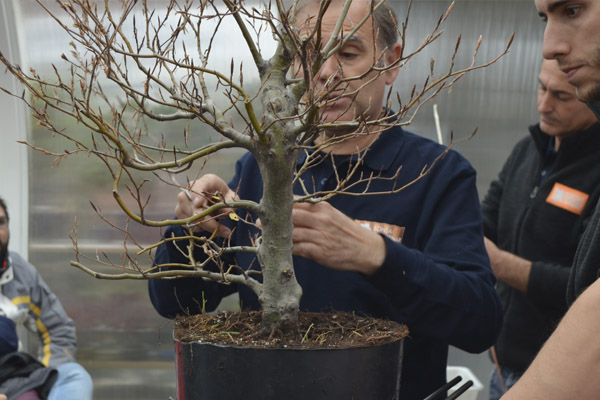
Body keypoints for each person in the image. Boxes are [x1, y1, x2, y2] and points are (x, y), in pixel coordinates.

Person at [148, 1, 503, 399]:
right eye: (307, 56)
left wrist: (377, 255)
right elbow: (172, 302)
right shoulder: (266, 169)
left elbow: (480, 322)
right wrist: (194, 230)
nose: (325, 73)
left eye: (347, 54)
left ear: (391, 62)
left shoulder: (435, 174)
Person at [482, 58, 600, 399]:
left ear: (592, 97)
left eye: (561, 96)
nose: (544, 105)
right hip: (503, 364)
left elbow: (584, 285)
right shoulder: (527, 151)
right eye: (541, 88)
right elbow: (485, 220)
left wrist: (500, 264)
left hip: (562, 377)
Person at [0, 197, 93, 400]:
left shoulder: (21, 272)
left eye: (1, 222)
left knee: (74, 376)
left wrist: (45, 377)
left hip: (13, 375)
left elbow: (58, 329)